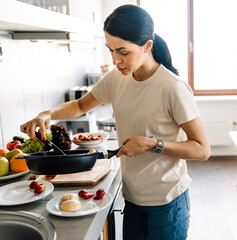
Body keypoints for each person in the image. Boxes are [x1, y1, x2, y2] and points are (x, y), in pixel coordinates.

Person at [20, 4, 210, 240]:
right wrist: (47, 114)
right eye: (110, 50)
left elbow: (202, 149)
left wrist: (153, 144)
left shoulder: (173, 87)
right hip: (133, 198)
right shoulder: (117, 78)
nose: (115, 60)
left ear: (147, 46)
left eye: (123, 51)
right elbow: (80, 105)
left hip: (168, 203)